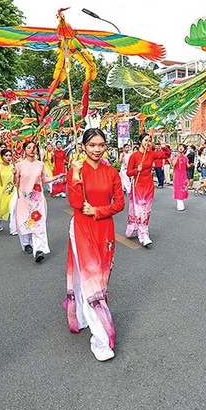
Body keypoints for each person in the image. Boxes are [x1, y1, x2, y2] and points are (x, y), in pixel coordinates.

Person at [65, 128, 125, 362]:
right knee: (91, 282)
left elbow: (119, 203)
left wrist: (99, 210)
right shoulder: (76, 169)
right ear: (84, 147)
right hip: (82, 228)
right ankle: (100, 339)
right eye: (92, 145)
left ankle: (80, 315)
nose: (97, 149)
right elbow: (76, 203)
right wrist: (77, 175)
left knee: (101, 278)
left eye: (101, 145)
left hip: (105, 228)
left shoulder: (112, 173)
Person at [15, 140, 64, 262]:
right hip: (24, 199)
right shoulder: (18, 165)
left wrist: (57, 177)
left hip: (37, 199)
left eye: (34, 147)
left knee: (39, 224)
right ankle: (26, 244)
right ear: (24, 150)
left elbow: (44, 179)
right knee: (24, 223)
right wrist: (14, 174)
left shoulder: (40, 164)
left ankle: (39, 250)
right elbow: (15, 183)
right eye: (29, 148)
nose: (32, 150)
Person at [126, 133, 170, 247]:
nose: (148, 143)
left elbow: (166, 155)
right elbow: (129, 172)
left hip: (149, 186)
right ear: (140, 141)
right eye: (145, 140)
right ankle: (143, 235)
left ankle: (139, 228)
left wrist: (164, 145)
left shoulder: (151, 154)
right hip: (138, 187)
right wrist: (136, 170)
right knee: (141, 211)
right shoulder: (134, 156)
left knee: (146, 211)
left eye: (149, 141)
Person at [0, 149, 15, 232]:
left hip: (13, 190)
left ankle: (14, 227)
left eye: (10, 155)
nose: (8, 157)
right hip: (2, 190)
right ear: (2, 157)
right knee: (1, 209)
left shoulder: (14, 166)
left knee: (13, 208)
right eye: (6, 155)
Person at [171, 144, 189, 211]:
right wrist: (177, 157)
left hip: (184, 174)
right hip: (177, 174)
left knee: (184, 188)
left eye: (182, 148)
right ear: (177, 148)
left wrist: (192, 165)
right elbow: (173, 164)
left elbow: (187, 165)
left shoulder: (185, 157)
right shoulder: (175, 156)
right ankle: (180, 204)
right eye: (180, 147)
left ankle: (181, 201)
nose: (181, 148)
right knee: (178, 188)